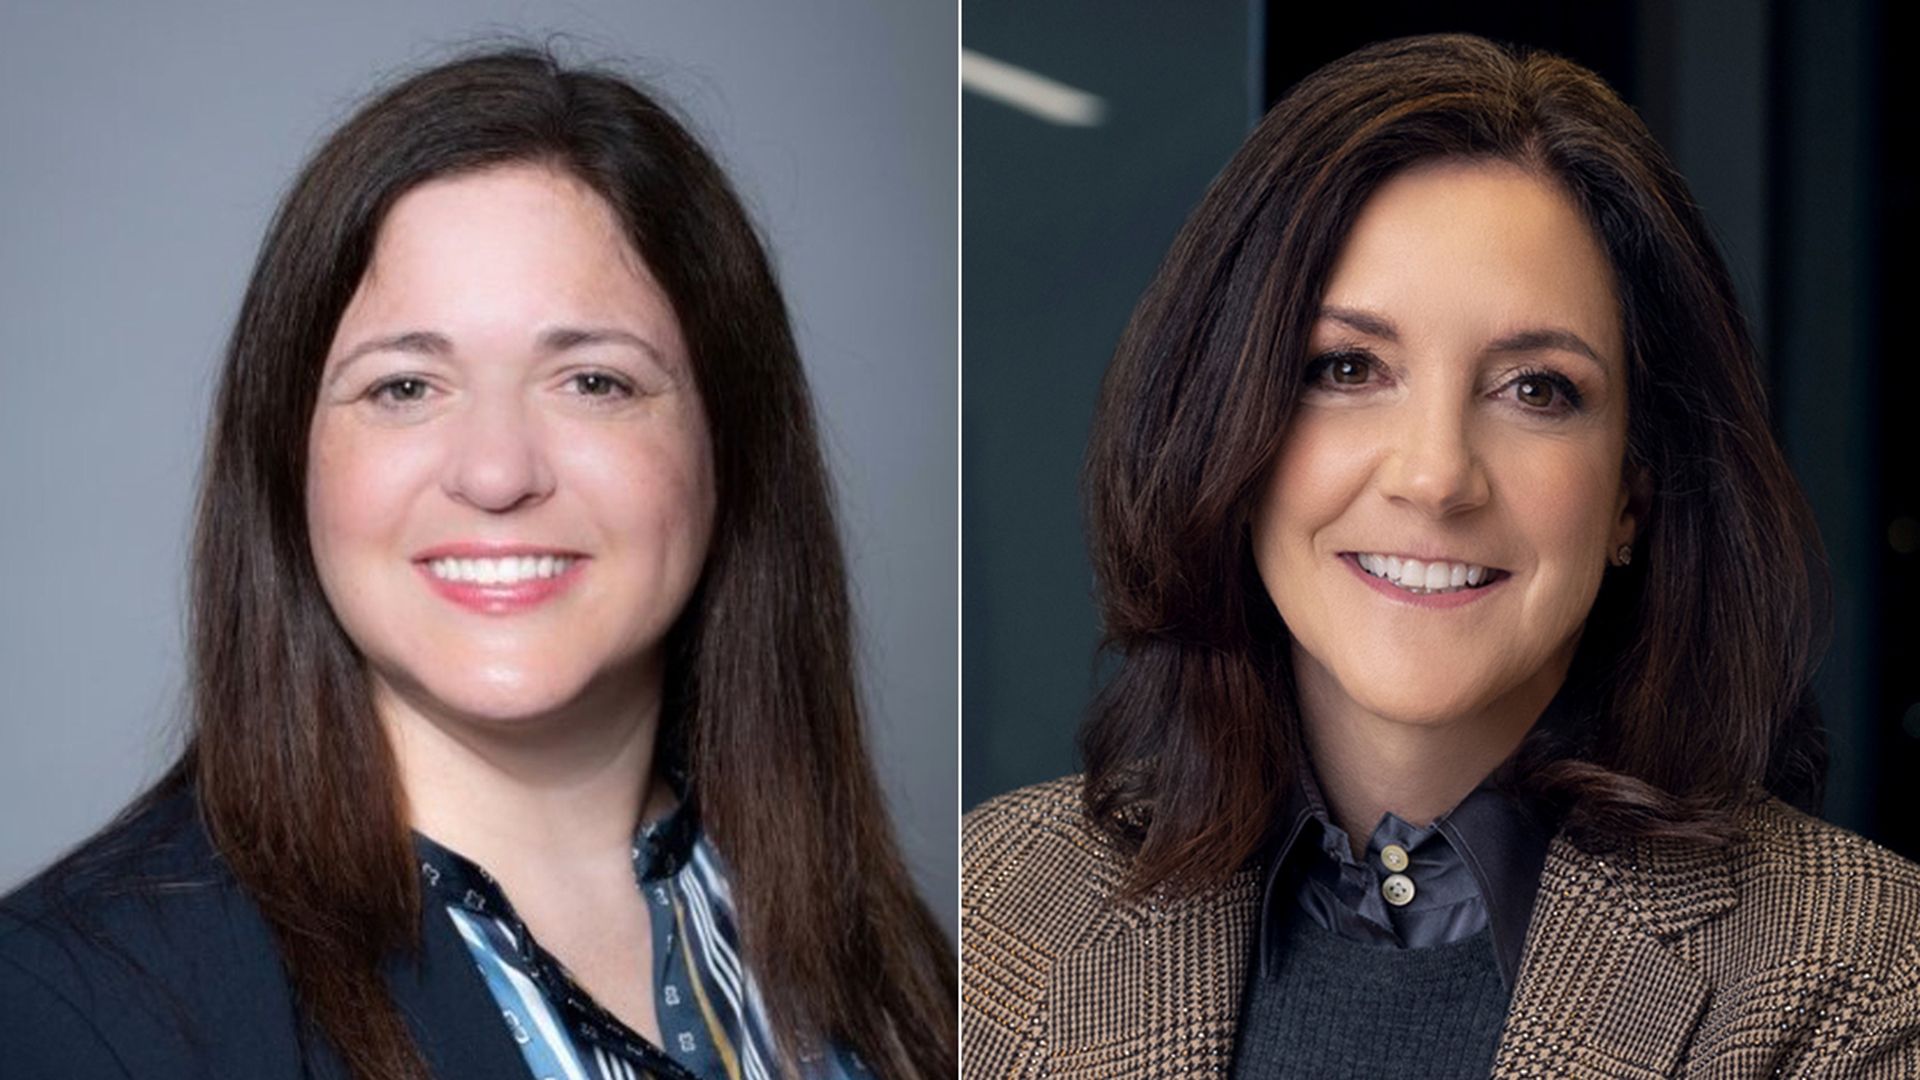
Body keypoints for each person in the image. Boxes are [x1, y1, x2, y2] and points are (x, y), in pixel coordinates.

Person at [961, 33, 1918, 1079]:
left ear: (1633, 496)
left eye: (1536, 389)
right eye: (1348, 368)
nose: (1434, 476)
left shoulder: (1862, 976)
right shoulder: (993, 910)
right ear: (1227, 429)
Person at [0, 47, 955, 1080]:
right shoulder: (70, 1012)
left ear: (731, 444)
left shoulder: (891, 964)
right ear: (289, 458)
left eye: (593, 381)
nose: (497, 474)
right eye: (405, 388)